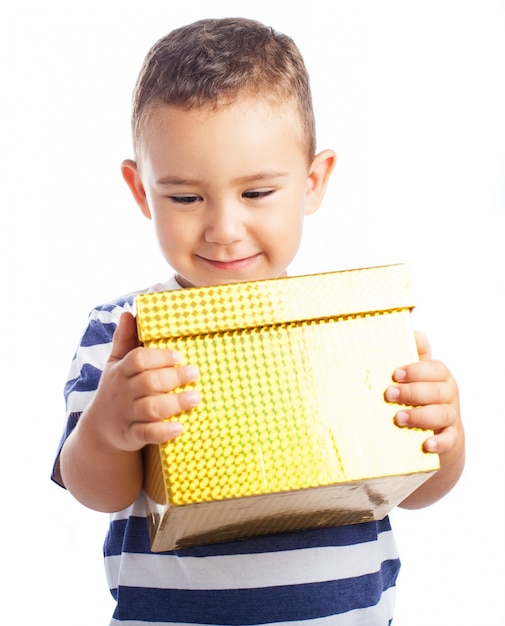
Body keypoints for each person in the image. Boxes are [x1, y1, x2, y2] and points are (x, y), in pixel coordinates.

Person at [51, 17, 465, 625]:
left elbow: (418, 486)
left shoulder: (350, 326)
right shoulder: (126, 330)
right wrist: (111, 425)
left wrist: (444, 435)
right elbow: (96, 491)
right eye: (186, 197)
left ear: (312, 181)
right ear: (141, 192)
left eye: (257, 193)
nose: (223, 228)